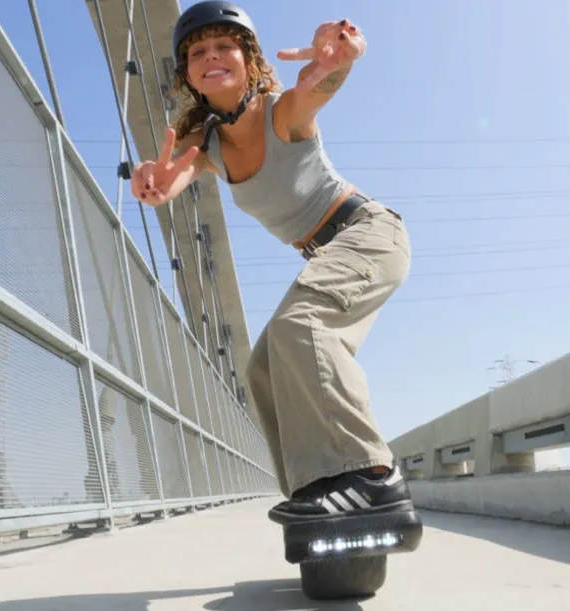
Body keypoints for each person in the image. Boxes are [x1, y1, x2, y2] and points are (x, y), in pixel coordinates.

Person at [131, 1, 413, 525]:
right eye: (198, 51)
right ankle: (317, 488)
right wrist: (152, 179)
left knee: (300, 328)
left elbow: (315, 92)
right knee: (262, 369)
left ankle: (371, 476)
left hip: (369, 233)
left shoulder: (279, 112)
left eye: (224, 46)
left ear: (248, 59)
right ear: (188, 72)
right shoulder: (206, 143)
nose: (211, 57)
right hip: (329, 251)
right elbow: (172, 177)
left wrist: (340, 62)